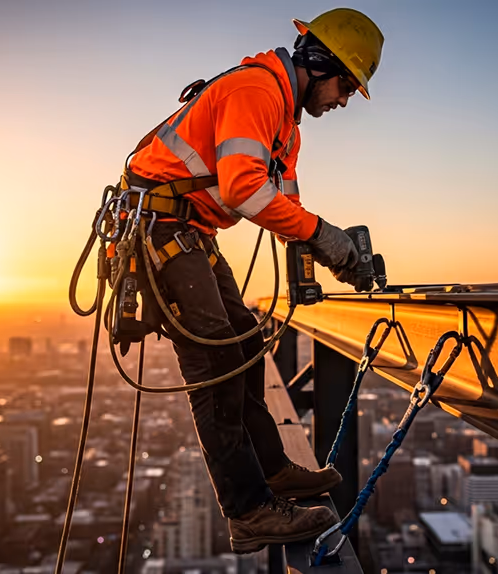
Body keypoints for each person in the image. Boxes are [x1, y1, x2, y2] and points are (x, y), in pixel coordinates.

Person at [122, 8, 384, 553]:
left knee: (242, 342)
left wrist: (336, 254)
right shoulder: (256, 92)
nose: (340, 101)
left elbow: (285, 206)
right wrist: (325, 235)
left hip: (188, 229)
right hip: (162, 224)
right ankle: (248, 511)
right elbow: (244, 190)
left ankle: (275, 472)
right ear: (320, 62)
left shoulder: (285, 126)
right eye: (344, 86)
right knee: (214, 359)